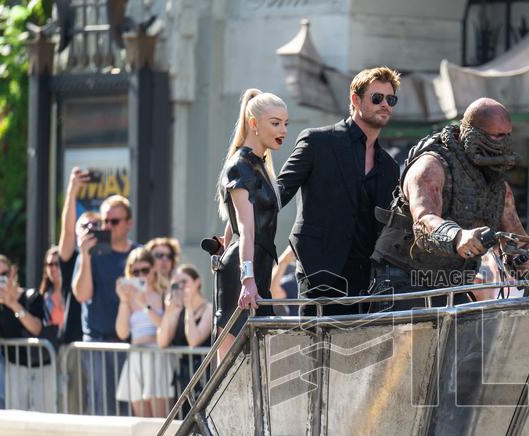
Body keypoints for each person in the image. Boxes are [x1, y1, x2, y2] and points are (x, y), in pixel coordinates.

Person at [369, 97, 529, 310]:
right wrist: (458, 236)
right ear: (469, 132)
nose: (503, 144)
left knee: (471, 340)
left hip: (451, 285)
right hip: (402, 279)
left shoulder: (498, 188)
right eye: (496, 136)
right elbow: (424, 219)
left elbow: (517, 242)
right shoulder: (431, 167)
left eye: (507, 136)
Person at [278, 67, 401, 314]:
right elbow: (277, 193)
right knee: (317, 351)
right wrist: (241, 229)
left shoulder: (389, 167)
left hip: (365, 284)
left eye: (391, 99)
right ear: (355, 100)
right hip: (319, 276)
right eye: (377, 98)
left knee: (360, 352)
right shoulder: (317, 142)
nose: (385, 104)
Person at [214, 89, 288, 360]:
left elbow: (235, 224)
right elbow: (245, 227)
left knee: (257, 360)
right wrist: (247, 279)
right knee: (232, 362)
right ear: (254, 124)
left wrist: (224, 244)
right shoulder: (241, 166)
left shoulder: (258, 166)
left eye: (285, 123)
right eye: (275, 122)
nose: (283, 130)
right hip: (245, 273)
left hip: (257, 269)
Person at [72, 194, 138, 414]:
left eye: (115, 221)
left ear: (129, 223)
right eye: (105, 222)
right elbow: (82, 294)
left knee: (131, 406)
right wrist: (85, 255)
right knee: (103, 405)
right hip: (98, 342)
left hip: (132, 340)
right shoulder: (91, 253)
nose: (108, 227)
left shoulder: (138, 255)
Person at [0, 254, 53, 412]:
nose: (1, 279)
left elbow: (36, 328)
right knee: (17, 419)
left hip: (42, 366)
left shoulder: (32, 296)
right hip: (15, 368)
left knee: (44, 418)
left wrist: (12, 303)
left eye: (4, 274)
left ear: (13, 273)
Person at [114, 248, 172, 417]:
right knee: (142, 421)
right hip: (136, 358)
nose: (141, 275)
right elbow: (122, 333)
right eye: (135, 271)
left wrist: (144, 305)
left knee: (160, 422)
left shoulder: (163, 293)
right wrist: (124, 301)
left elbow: (165, 326)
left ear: (153, 269)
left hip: (157, 357)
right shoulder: (129, 298)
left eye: (145, 270)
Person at [158, 264, 212, 405]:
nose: (181, 287)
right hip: (183, 379)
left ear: (197, 282)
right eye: (176, 284)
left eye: (184, 282)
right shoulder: (176, 311)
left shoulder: (209, 309)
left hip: (204, 377)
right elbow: (162, 342)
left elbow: (194, 340)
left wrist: (188, 307)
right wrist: (169, 310)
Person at [58, 168, 99, 345]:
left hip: (104, 342)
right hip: (75, 342)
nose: (89, 231)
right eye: (84, 227)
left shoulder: (110, 258)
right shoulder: (72, 257)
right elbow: (67, 232)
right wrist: (72, 190)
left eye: (95, 227)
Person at [40, 245, 66, 332]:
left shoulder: (75, 293)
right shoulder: (44, 297)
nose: (53, 268)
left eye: (57, 264)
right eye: (50, 264)